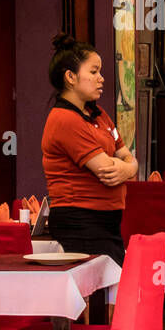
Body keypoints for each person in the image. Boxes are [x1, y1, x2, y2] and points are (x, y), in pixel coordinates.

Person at [42, 33, 139, 266]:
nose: (101, 79)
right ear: (71, 77)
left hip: (107, 221)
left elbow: (128, 157)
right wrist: (127, 166)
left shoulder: (99, 114)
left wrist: (128, 166)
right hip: (81, 221)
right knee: (96, 296)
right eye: (94, 72)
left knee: (112, 290)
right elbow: (107, 171)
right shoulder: (65, 119)